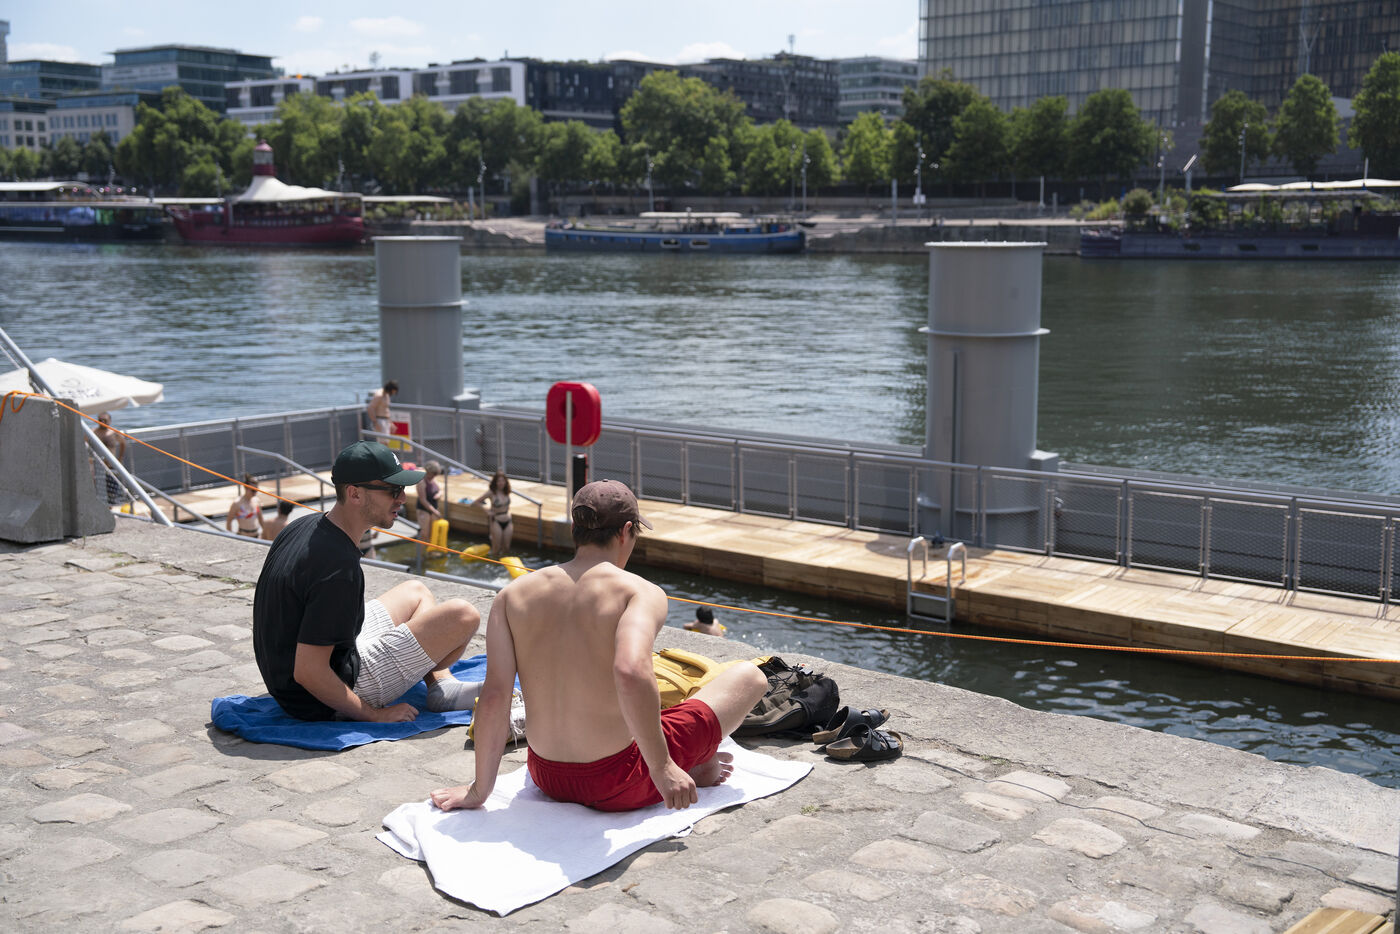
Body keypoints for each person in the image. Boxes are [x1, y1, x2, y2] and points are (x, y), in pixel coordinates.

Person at [430, 480, 768, 813]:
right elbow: (631, 671)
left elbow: (494, 696)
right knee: (749, 676)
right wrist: (662, 767)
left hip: (546, 774)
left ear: (575, 529)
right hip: (618, 780)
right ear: (626, 532)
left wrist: (478, 790)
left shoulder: (511, 595)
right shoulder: (638, 592)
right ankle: (693, 763)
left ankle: (695, 761)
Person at [252, 441, 483, 722]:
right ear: (355, 494)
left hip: (289, 679)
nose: (402, 498)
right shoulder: (336, 566)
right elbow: (309, 671)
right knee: (464, 615)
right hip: (318, 696)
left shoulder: (306, 525)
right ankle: (439, 685)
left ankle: (440, 685)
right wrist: (374, 715)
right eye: (392, 490)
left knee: (416, 591)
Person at [470, 470, 513, 556]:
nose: (501, 483)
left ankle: (503, 563)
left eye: (503, 481)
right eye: (499, 481)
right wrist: (487, 511)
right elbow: (475, 503)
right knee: (496, 549)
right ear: (495, 482)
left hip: (508, 521)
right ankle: (494, 562)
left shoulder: (507, 491)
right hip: (496, 521)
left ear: (505, 482)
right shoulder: (491, 492)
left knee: (506, 548)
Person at [93, 411, 127, 506]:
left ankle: (111, 506)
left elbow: (123, 443)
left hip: (111, 466)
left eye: (105, 420)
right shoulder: (93, 432)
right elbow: (84, 444)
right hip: (97, 466)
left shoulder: (114, 433)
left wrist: (120, 458)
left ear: (110, 421)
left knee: (112, 490)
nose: (102, 422)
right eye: (100, 420)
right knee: (97, 489)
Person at [417, 460, 444, 527]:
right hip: (424, 509)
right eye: (433, 474)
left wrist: (439, 494)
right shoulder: (421, 482)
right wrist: (435, 512)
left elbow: (441, 490)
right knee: (425, 532)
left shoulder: (433, 479)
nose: (434, 476)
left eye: (436, 474)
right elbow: (423, 500)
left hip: (434, 508)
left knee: (433, 531)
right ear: (428, 471)